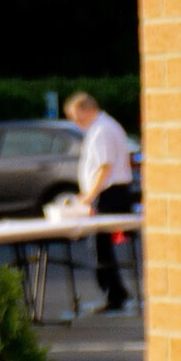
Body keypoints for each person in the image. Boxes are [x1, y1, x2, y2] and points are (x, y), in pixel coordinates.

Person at [63, 91, 136, 313]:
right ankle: (115, 293)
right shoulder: (100, 127)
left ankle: (115, 295)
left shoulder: (102, 129)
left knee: (100, 246)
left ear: (89, 109)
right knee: (100, 246)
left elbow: (105, 167)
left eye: (77, 116)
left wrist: (90, 195)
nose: (76, 122)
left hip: (109, 193)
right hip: (107, 192)